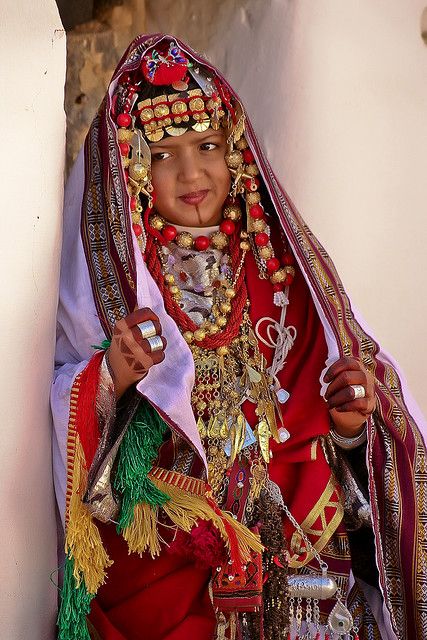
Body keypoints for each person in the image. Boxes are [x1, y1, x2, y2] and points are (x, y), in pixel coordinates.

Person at [51, 34, 426, 640]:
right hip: (177, 565)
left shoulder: (287, 277)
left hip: (303, 571)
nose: (192, 172)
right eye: (164, 154)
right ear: (132, 169)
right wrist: (112, 377)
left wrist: (353, 430)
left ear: (238, 155)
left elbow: (346, 430)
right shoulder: (117, 290)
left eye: (207, 147)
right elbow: (89, 476)